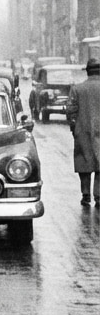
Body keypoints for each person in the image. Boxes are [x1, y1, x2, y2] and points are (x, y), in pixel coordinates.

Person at [69, 58, 100, 205]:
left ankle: (86, 194)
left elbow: (71, 111)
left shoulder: (77, 89)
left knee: (84, 164)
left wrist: (74, 128)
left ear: (87, 72)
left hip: (82, 132)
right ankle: (99, 196)